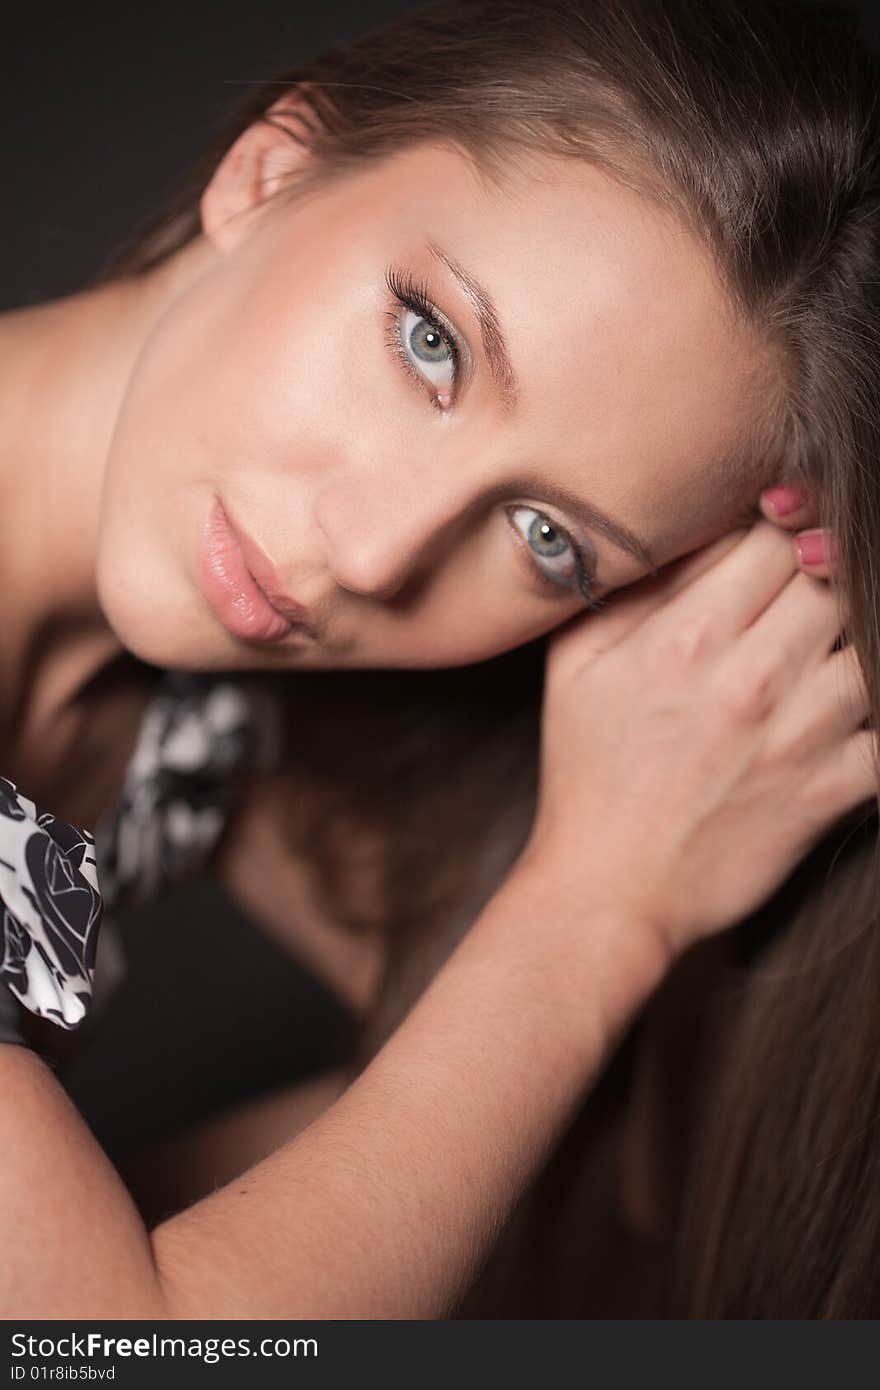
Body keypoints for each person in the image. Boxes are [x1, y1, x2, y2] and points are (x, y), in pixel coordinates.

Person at [0, 0, 876, 1318]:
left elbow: (606, 1168)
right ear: (273, 166)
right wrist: (601, 902)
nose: (375, 555)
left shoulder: (173, 693)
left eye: (545, 536)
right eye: (431, 342)